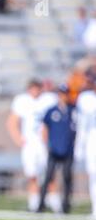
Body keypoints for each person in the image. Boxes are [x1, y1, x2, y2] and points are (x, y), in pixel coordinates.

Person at [7, 79, 58, 212]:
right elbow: (12, 121)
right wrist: (18, 138)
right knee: (32, 174)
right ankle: (34, 203)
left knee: (49, 173)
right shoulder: (22, 100)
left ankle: (54, 202)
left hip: (45, 143)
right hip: (30, 143)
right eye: (32, 88)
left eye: (37, 88)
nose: (35, 91)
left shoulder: (49, 99)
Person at [37, 85, 77, 213]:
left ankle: (66, 206)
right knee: (48, 177)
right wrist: (46, 144)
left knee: (67, 178)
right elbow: (44, 128)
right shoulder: (52, 110)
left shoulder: (73, 110)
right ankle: (40, 205)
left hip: (68, 149)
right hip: (54, 149)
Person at [75, 69, 96, 220]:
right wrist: (80, 145)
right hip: (91, 140)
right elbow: (83, 123)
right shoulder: (85, 98)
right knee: (93, 175)